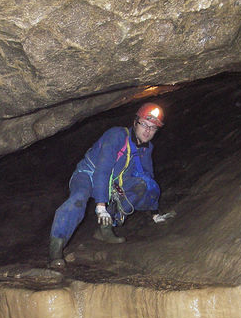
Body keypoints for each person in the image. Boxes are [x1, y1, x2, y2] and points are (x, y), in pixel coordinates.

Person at [48, 102, 174, 268]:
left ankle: (105, 230)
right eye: (144, 124)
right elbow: (103, 170)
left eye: (153, 128)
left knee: (142, 185)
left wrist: (155, 213)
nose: (148, 130)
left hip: (113, 181)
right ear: (135, 122)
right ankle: (55, 249)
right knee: (78, 200)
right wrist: (101, 206)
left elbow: (148, 176)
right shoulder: (116, 136)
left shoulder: (146, 148)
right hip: (89, 174)